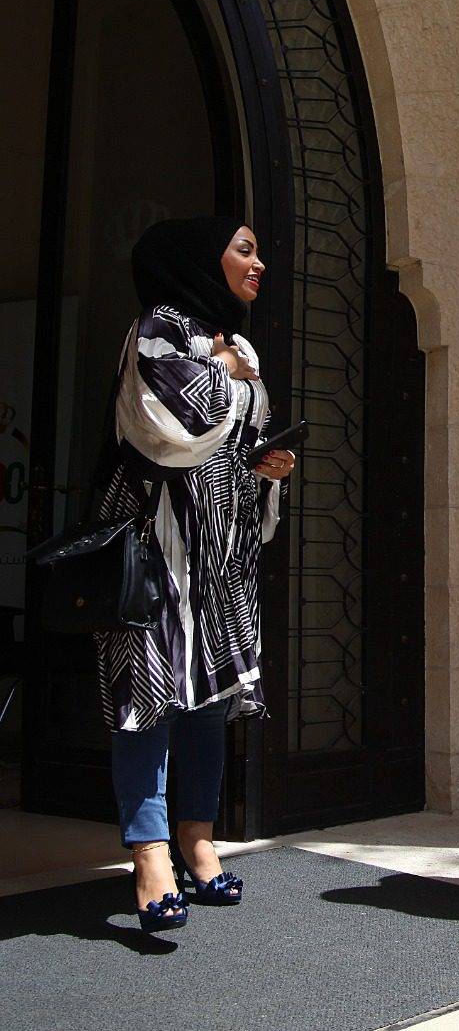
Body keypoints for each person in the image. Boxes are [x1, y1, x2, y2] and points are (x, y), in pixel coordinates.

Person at [95, 217, 295, 932]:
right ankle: (150, 853)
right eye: (245, 249)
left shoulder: (233, 343)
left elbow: (239, 437)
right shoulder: (158, 330)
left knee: (209, 697)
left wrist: (267, 466)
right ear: (200, 260)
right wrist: (229, 375)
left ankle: (197, 838)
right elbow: (175, 429)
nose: (258, 262)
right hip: (160, 547)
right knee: (147, 696)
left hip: (222, 555)